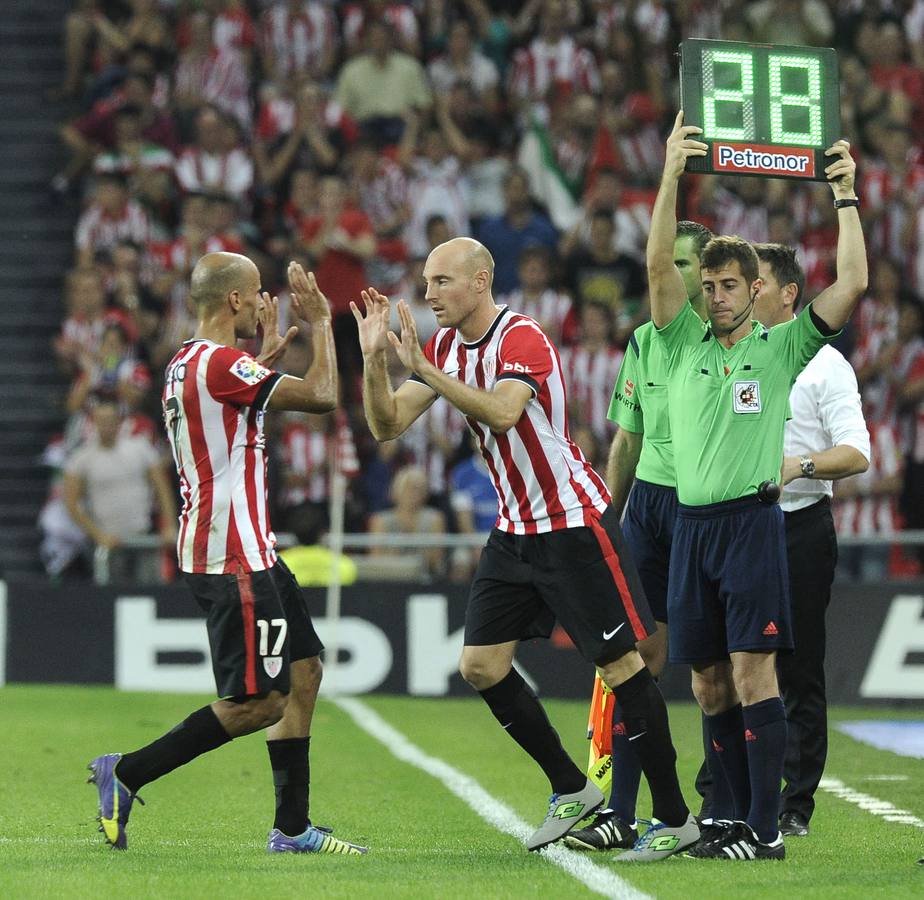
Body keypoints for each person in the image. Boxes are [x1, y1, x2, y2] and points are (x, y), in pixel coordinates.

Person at [352, 237, 698, 859]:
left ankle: (674, 818)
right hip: (516, 530)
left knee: (625, 669)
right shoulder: (447, 347)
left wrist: (429, 372)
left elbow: (505, 413)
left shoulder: (522, 337)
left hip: (570, 522)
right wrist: (377, 361)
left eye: (441, 281)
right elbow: (385, 424)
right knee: (480, 665)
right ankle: (571, 787)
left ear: (480, 281)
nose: (428, 293)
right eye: (426, 282)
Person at [88, 252, 367, 856]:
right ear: (235, 300)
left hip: (251, 548)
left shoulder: (185, 361)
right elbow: (322, 395)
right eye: (258, 292)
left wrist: (259, 362)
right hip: (231, 553)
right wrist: (321, 322)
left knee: (304, 671)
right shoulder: (218, 364)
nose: (267, 301)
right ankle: (127, 773)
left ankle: (292, 829)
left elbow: (224, 414)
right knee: (261, 702)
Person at [646, 112, 867, 861]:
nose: (716, 295)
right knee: (708, 683)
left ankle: (766, 831)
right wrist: (672, 172)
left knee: (753, 671)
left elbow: (854, 281)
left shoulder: (782, 350)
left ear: (753, 289)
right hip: (690, 528)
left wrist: (845, 196)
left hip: (751, 527)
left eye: (730, 284)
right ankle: (728, 818)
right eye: (706, 284)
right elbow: (654, 270)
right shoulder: (679, 345)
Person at [565, 220, 714, 852]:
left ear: (706, 276)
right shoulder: (646, 342)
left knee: (720, 665)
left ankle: (728, 809)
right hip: (648, 507)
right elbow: (626, 437)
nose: (670, 274)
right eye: (669, 262)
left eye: (683, 264)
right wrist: (603, 515)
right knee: (636, 659)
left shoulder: (729, 341)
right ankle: (621, 813)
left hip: (709, 507)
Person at [751, 243, 870, 837]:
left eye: (755, 281)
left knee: (797, 668)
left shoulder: (824, 364)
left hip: (797, 525)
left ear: (789, 293)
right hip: (736, 527)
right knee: (729, 661)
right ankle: (727, 788)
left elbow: (858, 453)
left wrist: (796, 467)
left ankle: (795, 804)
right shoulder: (729, 350)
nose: (741, 291)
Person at [63, 398, 176, 583]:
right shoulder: (82, 458)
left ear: (119, 421)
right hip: (108, 541)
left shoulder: (140, 448)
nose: (107, 425)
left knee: (149, 589)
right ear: (93, 422)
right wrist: (98, 535)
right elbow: (71, 503)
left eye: (110, 420)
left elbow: (162, 488)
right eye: (102, 420)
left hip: (143, 537)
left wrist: (170, 524)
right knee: (111, 594)